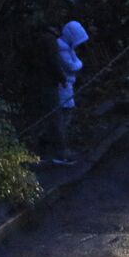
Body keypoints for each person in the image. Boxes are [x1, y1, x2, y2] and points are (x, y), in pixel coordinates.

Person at [25, 23, 67, 159]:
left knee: (39, 116)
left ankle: (32, 150)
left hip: (35, 81)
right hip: (48, 82)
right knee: (55, 115)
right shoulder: (49, 40)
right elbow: (53, 62)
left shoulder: (36, 38)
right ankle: (60, 151)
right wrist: (62, 78)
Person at [53, 20, 89, 165]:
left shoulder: (67, 49)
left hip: (67, 85)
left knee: (66, 114)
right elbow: (73, 65)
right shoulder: (61, 50)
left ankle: (62, 145)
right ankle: (60, 148)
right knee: (63, 114)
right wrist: (80, 64)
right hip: (63, 86)